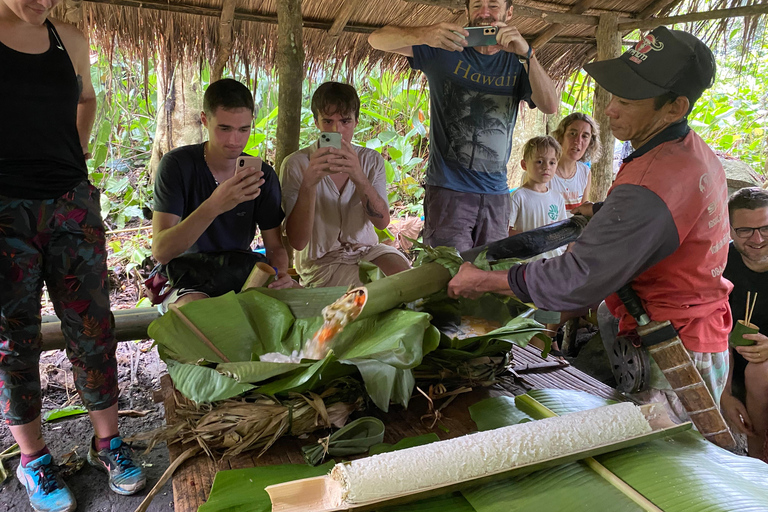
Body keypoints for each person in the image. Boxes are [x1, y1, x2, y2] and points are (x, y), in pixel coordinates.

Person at [447, 27, 732, 415]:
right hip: (692, 329)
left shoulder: (653, 184)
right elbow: (665, 219)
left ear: (674, 107)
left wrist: (486, 281)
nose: (611, 109)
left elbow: (578, 278)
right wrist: (602, 211)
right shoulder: (687, 150)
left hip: (674, 348)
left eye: (628, 100)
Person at [0, 1, 146, 510]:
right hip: (3, 210)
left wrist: (73, 156)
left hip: (70, 203)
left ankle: (108, 443)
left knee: (93, 326)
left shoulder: (69, 38)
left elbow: (87, 98)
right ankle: (34, 458)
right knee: (11, 339)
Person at [368, 0, 558, 252]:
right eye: (477, 5)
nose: (485, 13)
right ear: (467, 11)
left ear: (509, 12)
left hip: (496, 194)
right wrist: (425, 34)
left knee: (489, 276)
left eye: (493, 5)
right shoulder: (444, 49)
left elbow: (550, 105)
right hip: (449, 191)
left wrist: (528, 54)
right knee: (447, 276)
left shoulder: (517, 62)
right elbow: (376, 39)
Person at [152, 79, 296, 310]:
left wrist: (279, 275)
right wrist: (215, 205)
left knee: (296, 304)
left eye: (243, 130)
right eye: (224, 128)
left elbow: (275, 247)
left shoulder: (261, 175)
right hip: (183, 275)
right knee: (200, 311)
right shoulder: (178, 165)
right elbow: (162, 251)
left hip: (237, 271)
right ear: (204, 120)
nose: (234, 140)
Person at [281, 82, 411, 288]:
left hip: (366, 251)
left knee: (407, 276)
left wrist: (358, 175)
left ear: (356, 121)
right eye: (328, 121)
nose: (337, 130)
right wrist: (309, 184)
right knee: (378, 286)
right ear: (316, 122)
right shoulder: (297, 163)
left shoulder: (370, 160)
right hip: (321, 263)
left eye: (345, 121)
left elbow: (382, 223)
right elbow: (297, 242)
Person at [720, 188, 768, 461]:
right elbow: (716, 333)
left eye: (765, 228)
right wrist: (725, 395)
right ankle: (757, 462)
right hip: (731, 365)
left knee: (760, 372)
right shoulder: (720, 263)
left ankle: (758, 456)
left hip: (759, 370)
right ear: (729, 229)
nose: (758, 239)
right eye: (745, 231)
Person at [508, 136, 567, 260]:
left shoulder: (558, 198)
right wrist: (530, 240)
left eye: (552, 162)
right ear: (524, 164)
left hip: (552, 262)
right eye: (539, 161)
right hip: (526, 265)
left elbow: (563, 231)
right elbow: (505, 231)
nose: (546, 167)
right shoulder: (518, 197)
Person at [549, 112, 601, 212]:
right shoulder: (544, 170)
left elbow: (582, 212)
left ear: (590, 143)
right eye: (572, 134)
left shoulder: (585, 172)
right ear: (561, 137)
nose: (578, 141)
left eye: (585, 136)